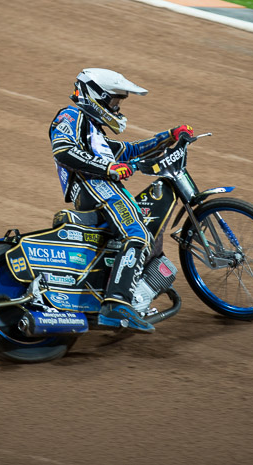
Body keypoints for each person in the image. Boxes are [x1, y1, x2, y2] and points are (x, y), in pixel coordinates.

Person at [49, 67, 193, 333]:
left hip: (103, 186)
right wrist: (108, 168)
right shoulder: (71, 115)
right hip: (94, 186)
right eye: (114, 102)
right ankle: (116, 304)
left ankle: (123, 292)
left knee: (146, 237)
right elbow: (63, 150)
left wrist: (169, 136)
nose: (117, 108)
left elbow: (130, 150)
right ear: (96, 97)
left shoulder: (95, 134)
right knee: (137, 234)